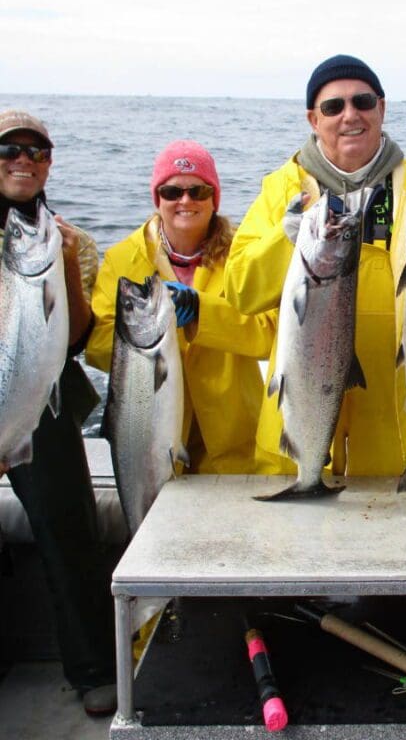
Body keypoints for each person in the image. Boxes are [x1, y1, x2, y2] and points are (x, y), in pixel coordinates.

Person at [224, 54, 406, 476]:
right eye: (333, 106)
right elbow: (241, 290)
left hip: (396, 425)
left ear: (381, 108)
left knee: (401, 518)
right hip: (299, 417)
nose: (350, 115)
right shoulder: (282, 189)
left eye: (362, 102)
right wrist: (284, 239)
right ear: (313, 119)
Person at [0, 109, 117, 715]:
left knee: (68, 526)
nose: (23, 160)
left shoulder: (74, 242)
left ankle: (93, 666)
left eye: (36, 152)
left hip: (39, 395)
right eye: (8, 150)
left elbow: (73, 339)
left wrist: (66, 263)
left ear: (49, 164)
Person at [86, 140, 273, 475]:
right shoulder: (121, 259)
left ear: (214, 199)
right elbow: (98, 348)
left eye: (198, 191)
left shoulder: (244, 255)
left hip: (236, 436)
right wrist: (148, 330)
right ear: (157, 199)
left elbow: (269, 335)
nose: (185, 201)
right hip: (152, 433)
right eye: (172, 192)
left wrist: (203, 312)